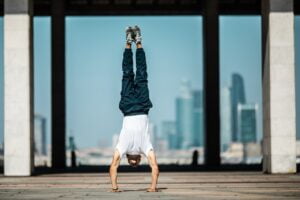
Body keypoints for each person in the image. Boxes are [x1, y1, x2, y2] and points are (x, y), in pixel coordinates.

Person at [109, 25, 159, 193]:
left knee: (127, 73)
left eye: (132, 163)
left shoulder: (122, 147)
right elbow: (154, 166)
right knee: (142, 74)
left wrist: (115, 187)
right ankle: (138, 42)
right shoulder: (146, 148)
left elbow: (113, 166)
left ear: (129, 159)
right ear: (138, 160)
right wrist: (152, 187)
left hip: (129, 106)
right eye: (136, 163)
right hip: (143, 106)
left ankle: (128, 43)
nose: (134, 163)